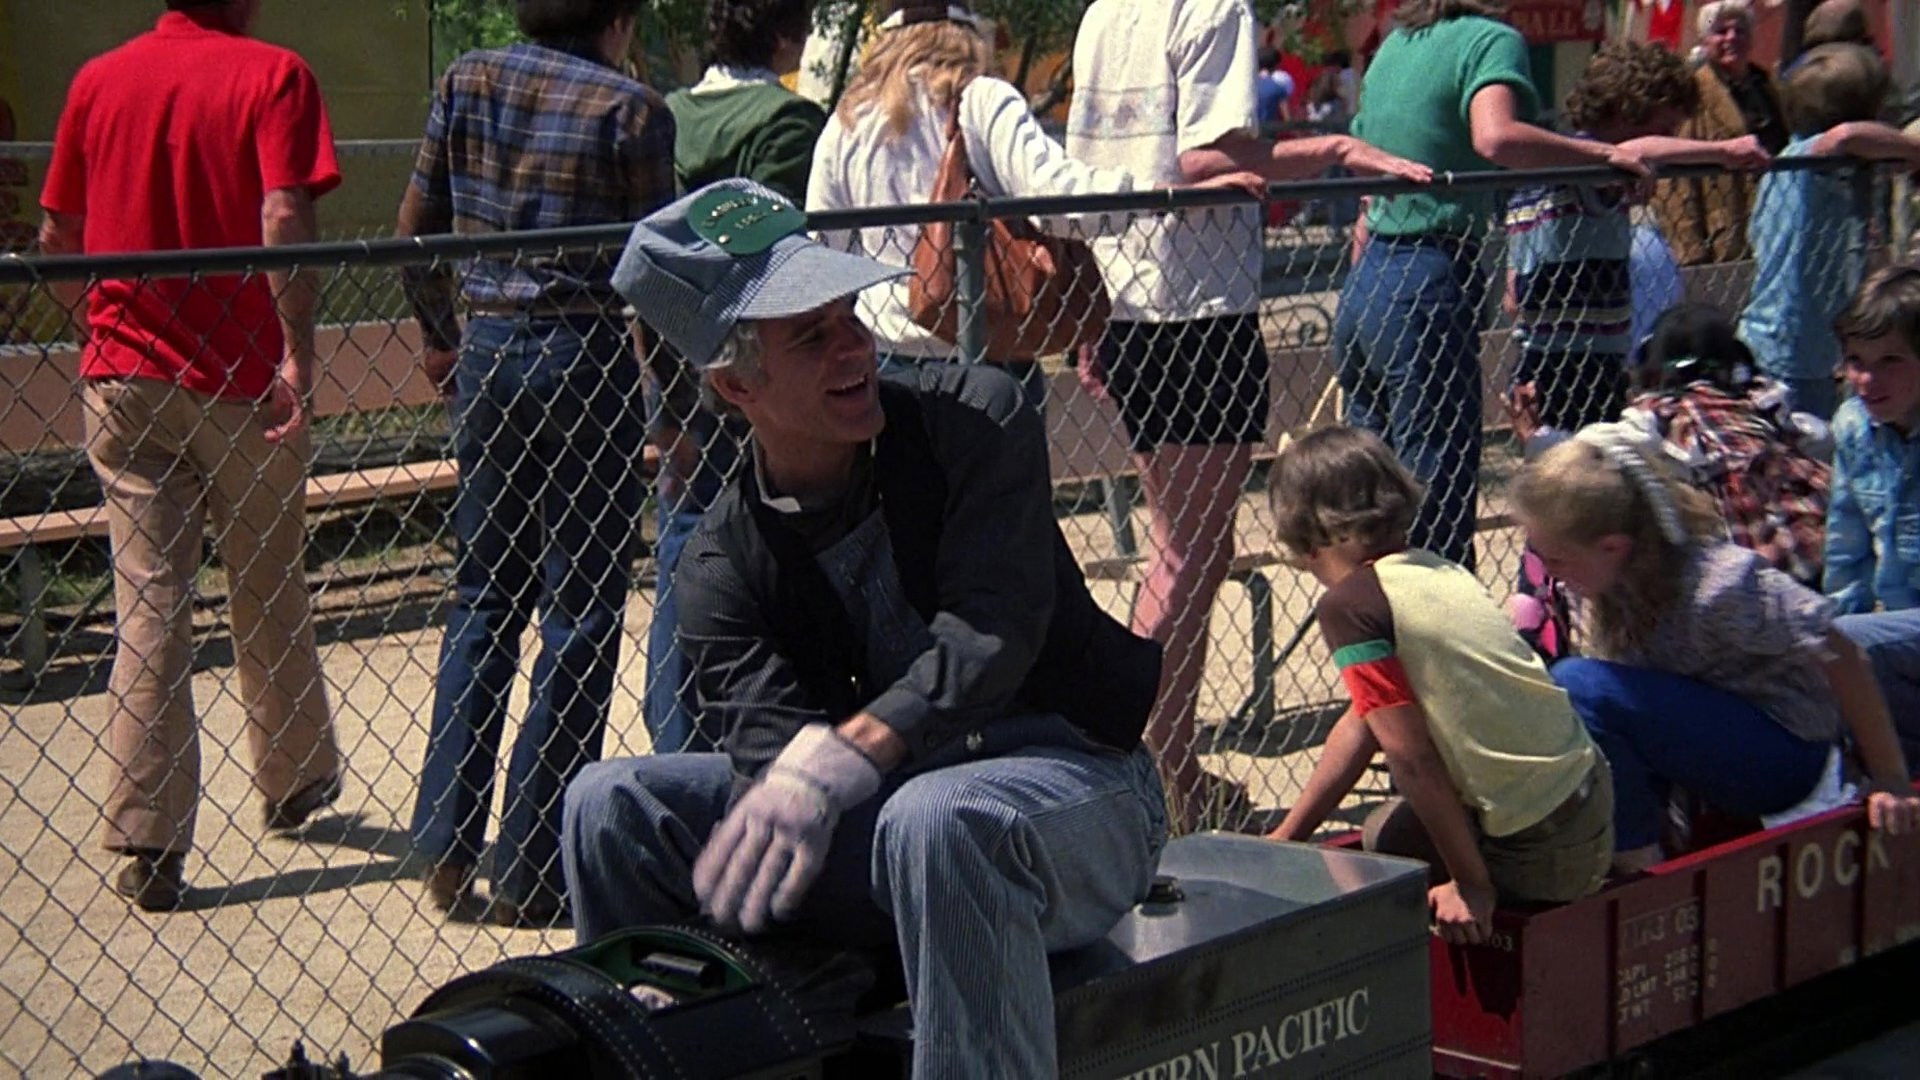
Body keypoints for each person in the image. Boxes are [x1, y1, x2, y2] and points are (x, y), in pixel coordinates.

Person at [563, 178, 1170, 1079]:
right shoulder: (720, 561)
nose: (854, 345)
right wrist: (788, 790)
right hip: (886, 826)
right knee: (609, 804)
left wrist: (859, 745)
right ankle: (679, 1052)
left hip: (1072, 788)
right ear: (736, 385)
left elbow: (993, 634)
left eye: (849, 314)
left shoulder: (976, 419)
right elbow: (776, 757)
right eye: (810, 336)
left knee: (939, 820)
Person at [1065, 0, 1431, 825]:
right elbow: (1206, 157)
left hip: (1128, 295)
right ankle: (1161, 773)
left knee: (1181, 548)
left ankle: (1166, 765)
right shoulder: (1213, 8)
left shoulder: (1104, 14)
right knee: (1187, 554)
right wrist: (1337, 149)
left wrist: (1090, 312)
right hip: (1196, 307)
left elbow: (1102, 162)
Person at [37, 0, 344, 911]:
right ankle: (293, 775)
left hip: (125, 376)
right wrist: (297, 352)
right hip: (243, 377)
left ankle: (149, 833)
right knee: (267, 574)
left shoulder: (97, 81)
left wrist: (97, 329)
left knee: (150, 602)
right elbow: (283, 211)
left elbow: (57, 238)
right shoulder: (273, 74)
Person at [396, 0, 675, 927]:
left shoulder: (467, 79)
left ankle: (445, 841)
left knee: (483, 593)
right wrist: (673, 405)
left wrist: (442, 334)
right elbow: (655, 273)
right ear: (618, 17)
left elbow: (415, 233)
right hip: (587, 356)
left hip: (488, 347)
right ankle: (533, 866)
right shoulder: (632, 110)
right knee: (581, 610)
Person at [806, 0, 1265, 417]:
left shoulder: (849, 119)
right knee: (1002, 482)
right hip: (987, 352)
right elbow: (1058, 199)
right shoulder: (979, 98)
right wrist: (1160, 197)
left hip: (888, 359)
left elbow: (825, 249)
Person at [1510, 423, 1920, 875]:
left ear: (1613, 547)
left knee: (1581, 684)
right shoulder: (1615, 587)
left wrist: (1890, 777)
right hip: (1719, 759)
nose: (1549, 573)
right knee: (1578, 692)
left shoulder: (1719, 586)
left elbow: (1842, 654)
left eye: (1557, 560)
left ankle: (1637, 865)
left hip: (1788, 758)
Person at [1334, 0, 1648, 574]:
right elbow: (1497, 138)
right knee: (1436, 479)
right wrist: (1603, 155)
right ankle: (1442, 615)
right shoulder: (1489, 40)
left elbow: (1364, 159)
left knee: (1368, 491)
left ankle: (1372, 615)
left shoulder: (1392, 47)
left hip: (1367, 279)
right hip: (1429, 272)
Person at [1265, 428, 1612, 945]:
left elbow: (1411, 759)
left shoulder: (1351, 607)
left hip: (1543, 851)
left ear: (1308, 539)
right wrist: (1285, 838)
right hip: (1588, 807)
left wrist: (1470, 884)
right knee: (1400, 828)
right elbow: (1364, 722)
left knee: (1387, 840)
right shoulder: (1435, 569)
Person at [647, 0, 825, 755]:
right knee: (763, 537)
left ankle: (676, 726)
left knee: (684, 532)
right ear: (784, 34)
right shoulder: (788, 122)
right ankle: (723, 730)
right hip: (757, 357)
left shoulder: (668, 114)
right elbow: (777, 253)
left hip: (670, 349)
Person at [1503, 42, 1768, 436]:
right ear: (1629, 111)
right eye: (1667, 130)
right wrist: (1723, 150)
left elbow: (1511, 296)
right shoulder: (1593, 168)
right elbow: (1629, 151)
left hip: (1537, 352)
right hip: (1584, 361)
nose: (1672, 142)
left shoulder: (1539, 176)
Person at [1738, 44, 1920, 420]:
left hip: (1794, 342)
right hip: (1791, 347)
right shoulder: (1812, 162)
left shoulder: (1790, 160)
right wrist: (1913, 151)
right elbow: (1845, 137)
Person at [1625, 303, 1832, 587]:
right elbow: (1817, 435)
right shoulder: (1757, 396)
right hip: (1813, 540)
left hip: (1743, 559)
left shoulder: (1658, 414)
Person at [1826, 264, 1920, 771]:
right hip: (1901, 627)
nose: (1867, 380)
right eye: (1856, 361)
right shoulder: (1852, 427)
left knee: (1851, 645)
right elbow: (1847, 553)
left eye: (1890, 361)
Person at [1653, 1, 1788, 267]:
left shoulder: (1766, 86)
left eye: (1740, 30)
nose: (1731, 38)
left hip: (1775, 218)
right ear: (1705, 40)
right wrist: (1689, 248)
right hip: (1725, 227)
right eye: (1721, 31)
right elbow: (1677, 179)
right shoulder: (1693, 93)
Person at [1256, 46, 1295, 131]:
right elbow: (1287, 117)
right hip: (1268, 133)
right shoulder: (1278, 88)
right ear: (1276, 65)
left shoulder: (1246, 86)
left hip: (1245, 133)